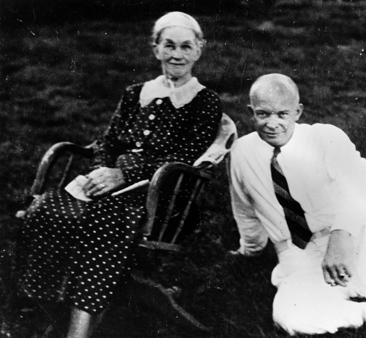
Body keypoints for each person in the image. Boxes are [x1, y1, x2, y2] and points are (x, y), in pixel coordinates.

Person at [18, 11, 222, 338]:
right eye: (168, 45)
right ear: (155, 48)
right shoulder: (135, 93)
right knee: (46, 209)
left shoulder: (205, 102)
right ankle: (48, 306)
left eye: (186, 47)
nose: (177, 54)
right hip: (112, 183)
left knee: (100, 220)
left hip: (161, 193)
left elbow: (183, 156)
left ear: (199, 50)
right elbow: (107, 141)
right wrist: (103, 169)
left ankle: (78, 329)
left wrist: (124, 173)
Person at [229, 73, 366, 337]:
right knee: (291, 318)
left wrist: (341, 234)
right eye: (263, 114)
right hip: (297, 254)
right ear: (251, 112)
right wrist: (249, 249)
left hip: (348, 242)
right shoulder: (242, 152)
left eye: (282, 114)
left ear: (298, 112)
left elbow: (363, 182)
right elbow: (244, 207)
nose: (272, 124)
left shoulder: (324, 137)